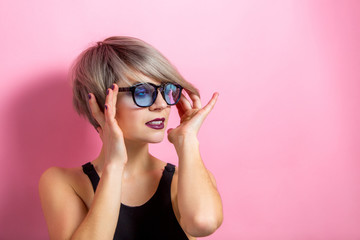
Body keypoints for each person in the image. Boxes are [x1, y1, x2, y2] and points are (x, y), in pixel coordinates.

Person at [39, 36, 223, 240]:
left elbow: (203, 223)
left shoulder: (188, 178)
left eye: (167, 90)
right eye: (143, 92)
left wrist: (187, 139)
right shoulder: (63, 182)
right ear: (101, 103)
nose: (161, 105)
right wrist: (114, 165)